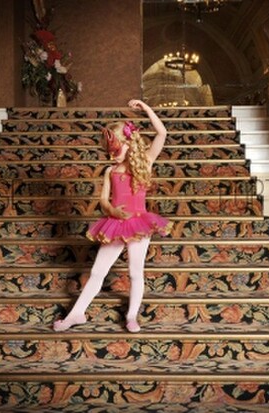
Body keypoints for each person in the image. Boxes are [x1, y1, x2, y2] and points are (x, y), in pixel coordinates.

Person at [53, 99, 170, 333]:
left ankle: (132, 316)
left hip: (139, 224)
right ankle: (76, 313)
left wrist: (146, 108)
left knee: (135, 272)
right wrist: (112, 211)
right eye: (109, 152)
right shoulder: (110, 171)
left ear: (128, 144)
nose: (111, 156)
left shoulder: (145, 162)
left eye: (115, 150)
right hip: (115, 224)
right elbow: (104, 201)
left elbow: (162, 133)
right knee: (97, 271)